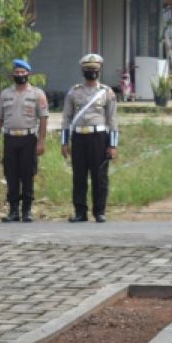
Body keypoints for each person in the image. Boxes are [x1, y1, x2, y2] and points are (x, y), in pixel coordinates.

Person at [61, 54, 118, 223]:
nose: (91, 72)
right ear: (82, 71)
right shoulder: (74, 91)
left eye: (94, 70)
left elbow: (113, 120)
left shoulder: (107, 92)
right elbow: (66, 118)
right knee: (79, 176)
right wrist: (64, 141)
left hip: (99, 138)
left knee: (99, 176)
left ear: (99, 71)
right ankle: (80, 212)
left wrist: (113, 145)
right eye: (88, 70)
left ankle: (99, 212)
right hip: (79, 137)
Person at [0, 58, 49, 222]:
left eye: (23, 72)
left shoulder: (37, 94)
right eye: (17, 72)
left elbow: (43, 119)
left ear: (28, 74)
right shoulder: (5, 94)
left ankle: (27, 211)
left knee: (27, 174)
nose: (20, 75)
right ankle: (13, 211)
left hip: (28, 138)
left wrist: (41, 142)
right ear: (12, 75)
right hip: (10, 138)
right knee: (11, 175)